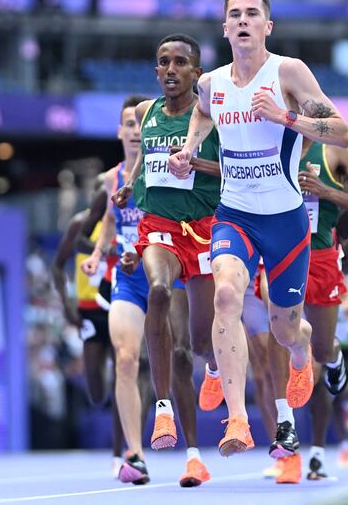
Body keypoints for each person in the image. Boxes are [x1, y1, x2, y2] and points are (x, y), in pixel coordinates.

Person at [170, 0, 348, 460]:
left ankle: (300, 354)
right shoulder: (210, 83)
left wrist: (285, 117)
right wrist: (189, 149)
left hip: (286, 223)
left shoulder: (288, 72)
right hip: (235, 216)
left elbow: (342, 133)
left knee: (284, 330)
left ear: (267, 26)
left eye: (253, 13)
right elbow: (203, 115)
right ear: (225, 27)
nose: (244, 20)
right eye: (237, 14)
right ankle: (237, 421)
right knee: (226, 295)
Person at [111, 33, 220, 487]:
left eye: (180, 63)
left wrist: (194, 163)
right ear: (156, 71)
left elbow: (236, 166)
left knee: (196, 345)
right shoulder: (146, 113)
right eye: (163, 63)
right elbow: (143, 161)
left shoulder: (212, 115)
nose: (171, 70)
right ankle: (163, 411)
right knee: (158, 293)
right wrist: (129, 184)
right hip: (160, 229)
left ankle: (214, 367)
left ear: (197, 72)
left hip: (207, 230)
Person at [81, 96, 198, 487]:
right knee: (127, 358)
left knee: (184, 355)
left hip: (169, 268)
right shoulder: (109, 181)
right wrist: (100, 253)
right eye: (128, 124)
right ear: (120, 132)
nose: (134, 130)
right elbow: (111, 222)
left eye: (138, 123)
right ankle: (135, 452)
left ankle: (192, 448)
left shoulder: (166, 160)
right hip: (129, 278)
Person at [295, 140, 348, 481]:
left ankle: (317, 450)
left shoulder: (334, 155)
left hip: (326, 272)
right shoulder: (269, 145)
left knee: (319, 367)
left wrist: (329, 192)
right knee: (292, 359)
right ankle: (296, 442)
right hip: (282, 256)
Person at [51, 179, 125, 476]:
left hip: (119, 306)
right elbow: (58, 266)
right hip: (89, 312)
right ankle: (108, 383)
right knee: (95, 391)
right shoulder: (80, 224)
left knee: (124, 375)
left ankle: (122, 452)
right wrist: (68, 307)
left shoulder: (125, 220)